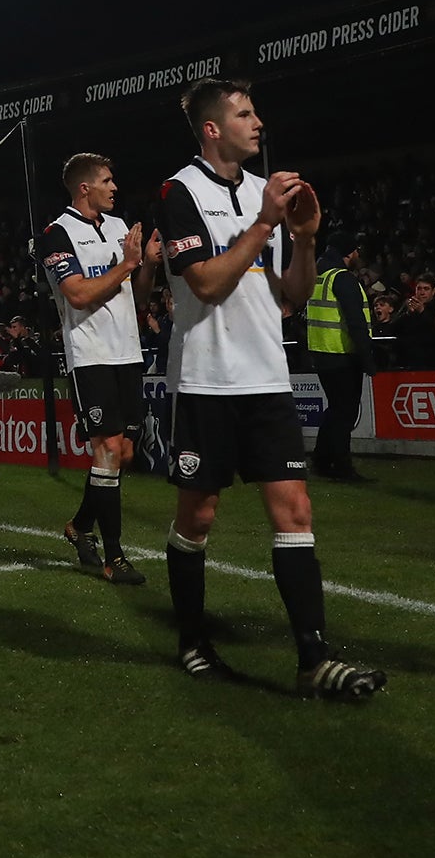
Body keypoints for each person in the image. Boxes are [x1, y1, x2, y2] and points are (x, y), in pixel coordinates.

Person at [154, 78, 386, 700]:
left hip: (266, 380)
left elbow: (294, 296)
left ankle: (314, 658)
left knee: (296, 513)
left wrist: (304, 239)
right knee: (198, 516)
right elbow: (204, 283)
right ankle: (193, 642)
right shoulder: (181, 192)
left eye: (256, 112)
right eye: (244, 114)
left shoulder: (267, 193)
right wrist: (263, 223)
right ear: (211, 129)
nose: (258, 123)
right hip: (205, 381)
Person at [40, 152, 154, 585]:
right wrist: (125, 265)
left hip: (127, 353)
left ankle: (80, 526)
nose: (114, 187)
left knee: (121, 454)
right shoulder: (57, 234)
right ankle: (115, 557)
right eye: (107, 180)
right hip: (90, 356)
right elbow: (78, 296)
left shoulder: (120, 228)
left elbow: (139, 298)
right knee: (106, 449)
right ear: (84, 188)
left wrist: (148, 266)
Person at [305, 235, 375, 483]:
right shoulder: (343, 279)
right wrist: (368, 358)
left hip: (322, 353)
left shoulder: (320, 277)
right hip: (343, 355)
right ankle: (342, 466)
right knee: (345, 413)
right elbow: (355, 322)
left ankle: (322, 460)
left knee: (336, 410)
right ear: (350, 253)